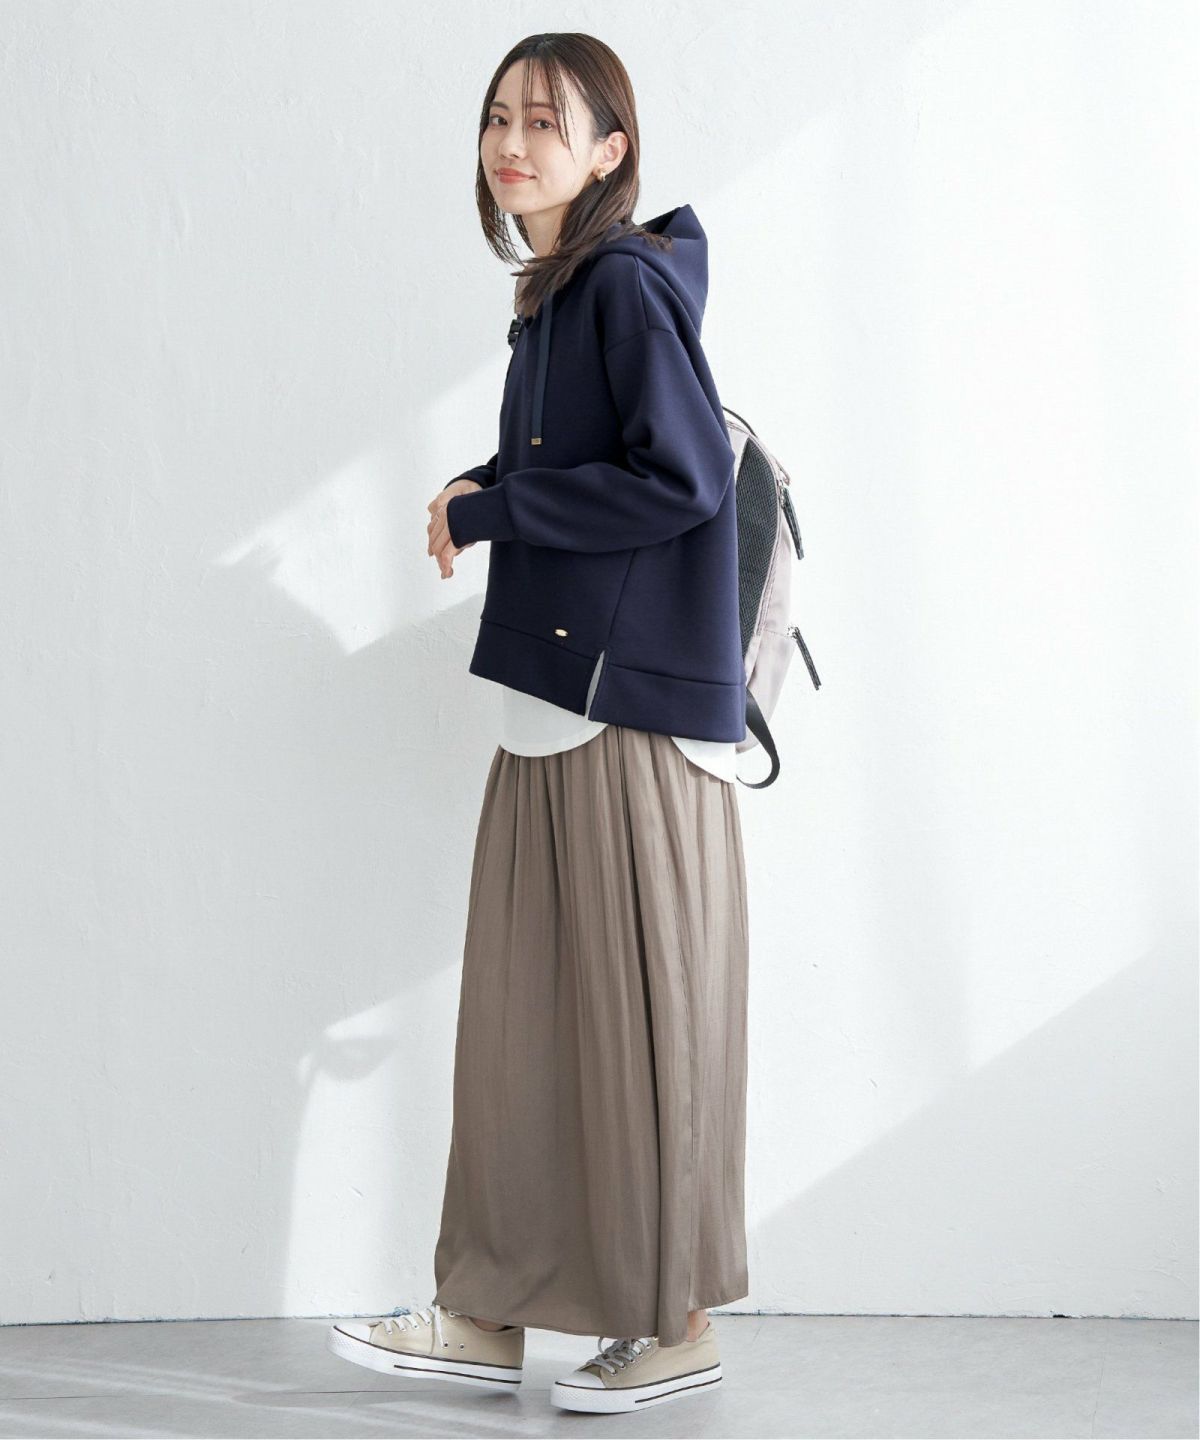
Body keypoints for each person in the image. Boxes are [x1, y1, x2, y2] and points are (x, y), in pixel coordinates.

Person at [327, 31, 750, 1416]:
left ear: (610, 151)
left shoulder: (620, 283)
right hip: (559, 702)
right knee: (525, 1024)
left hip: (626, 713)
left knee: (640, 1029)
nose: (511, 145)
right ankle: (487, 1312)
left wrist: (503, 506)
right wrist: (483, 488)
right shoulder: (559, 295)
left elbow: (683, 476)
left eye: (546, 124)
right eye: (498, 117)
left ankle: (675, 1321)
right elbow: (590, 462)